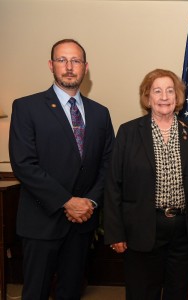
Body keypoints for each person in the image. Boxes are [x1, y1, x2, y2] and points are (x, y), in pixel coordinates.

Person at [8, 39, 114, 300]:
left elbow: (108, 164)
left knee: (71, 292)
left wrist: (89, 201)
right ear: (51, 65)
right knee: (36, 293)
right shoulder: (26, 107)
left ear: (85, 67)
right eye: (62, 60)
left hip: (81, 225)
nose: (69, 67)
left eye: (76, 61)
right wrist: (66, 201)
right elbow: (23, 163)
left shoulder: (100, 113)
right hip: (41, 222)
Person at [103, 69, 188, 300]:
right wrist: (115, 232)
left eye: (170, 91)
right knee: (142, 293)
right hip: (142, 228)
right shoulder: (129, 132)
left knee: (177, 292)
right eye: (157, 91)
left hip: (183, 230)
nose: (164, 97)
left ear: (178, 96)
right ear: (147, 97)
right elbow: (113, 185)